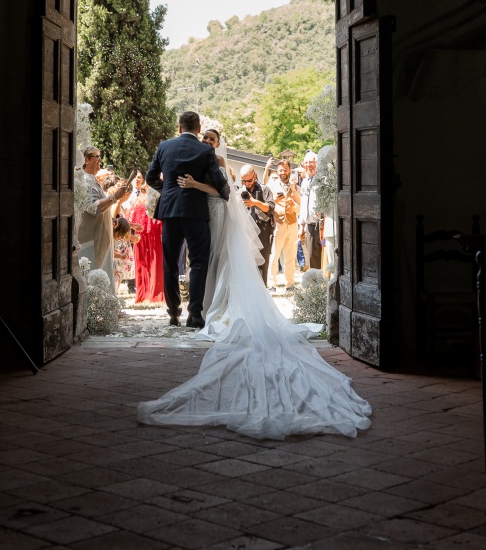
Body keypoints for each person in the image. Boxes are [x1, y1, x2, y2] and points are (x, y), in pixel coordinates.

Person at [137, 129, 371, 440]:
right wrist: (184, 187)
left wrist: (190, 186)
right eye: (205, 139)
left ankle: (199, 310)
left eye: (211, 140)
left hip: (213, 212)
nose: (207, 143)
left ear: (217, 144)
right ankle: (193, 311)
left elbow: (222, 191)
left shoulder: (215, 160)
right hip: (201, 215)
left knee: (207, 263)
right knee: (202, 264)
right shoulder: (201, 157)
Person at [146, 111, 230, 328]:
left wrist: (168, 190)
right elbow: (219, 182)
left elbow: (150, 177)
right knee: (198, 262)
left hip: (170, 211)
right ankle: (195, 314)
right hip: (196, 212)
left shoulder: (164, 146)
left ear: (179, 127)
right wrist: (227, 194)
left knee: (170, 263)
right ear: (199, 129)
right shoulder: (205, 150)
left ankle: (173, 313)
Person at [77, 147, 130, 287]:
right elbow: (93, 208)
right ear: (86, 160)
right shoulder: (85, 180)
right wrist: (114, 197)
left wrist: (109, 219)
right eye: (97, 157)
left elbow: (100, 208)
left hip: (99, 236)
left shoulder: (92, 180)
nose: (100, 160)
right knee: (92, 276)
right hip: (90, 238)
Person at [128, 173, 165, 304]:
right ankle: (155, 292)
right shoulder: (157, 197)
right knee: (155, 261)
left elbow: (130, 216)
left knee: (143, 261)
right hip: (152, 232)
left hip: (142, 233)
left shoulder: (139, 199)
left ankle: (144, 292)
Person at [266, 159, 301, 290]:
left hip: (292, 224)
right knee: (274, 255)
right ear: (277, 171)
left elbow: (300, 207)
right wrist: (274, 200)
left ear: (289, 170)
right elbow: (268, 205)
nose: (283, 172)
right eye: (281, 170)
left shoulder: (296, 187)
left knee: (290, 256)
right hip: (278, 223)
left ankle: (290, 284)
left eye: (285, 170)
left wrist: (294, 205)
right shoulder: (272, 186)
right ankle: (272, 284)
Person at [239, 164, 275, 283]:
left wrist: (255, 202)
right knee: (247, 263)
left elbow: (270, 208)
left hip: (263, 229)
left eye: (249, 180)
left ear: (254, 175)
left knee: (262, 264)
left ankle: (262, 289)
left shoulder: (264, 189)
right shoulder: (240, 191)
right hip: (246, 230)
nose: (247, 184)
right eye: (243, 181)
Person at [298, 150, 322, 269]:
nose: (308, 165)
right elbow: (303, 204)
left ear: (317, 163)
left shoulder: (322, 179)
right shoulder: (304, 182)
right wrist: (301, 226)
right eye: (306, 163)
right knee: (312, 258)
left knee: (325, 258)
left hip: (322, 225)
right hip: (310, 225)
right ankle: (316, 280)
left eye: (311, 162)